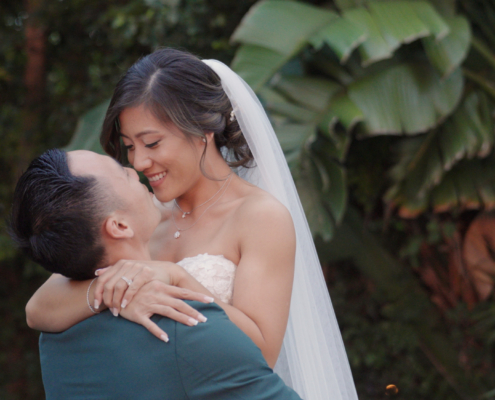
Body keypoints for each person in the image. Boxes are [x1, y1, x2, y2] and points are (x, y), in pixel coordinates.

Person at [24, 49, 358, 399]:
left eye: (151, 143)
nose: (139, 161)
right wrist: (109, 296)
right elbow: (39, 309)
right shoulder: (139, 214)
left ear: (202, 128)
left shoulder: (259, 217)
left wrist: (178, 278)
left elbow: (260, 355)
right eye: (128, 147)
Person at [9, 148, 302, 399]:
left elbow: (35, 310)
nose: (134, 168)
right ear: (120, 227)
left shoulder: (54, 335)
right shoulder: (186, 328)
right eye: (122, 173)